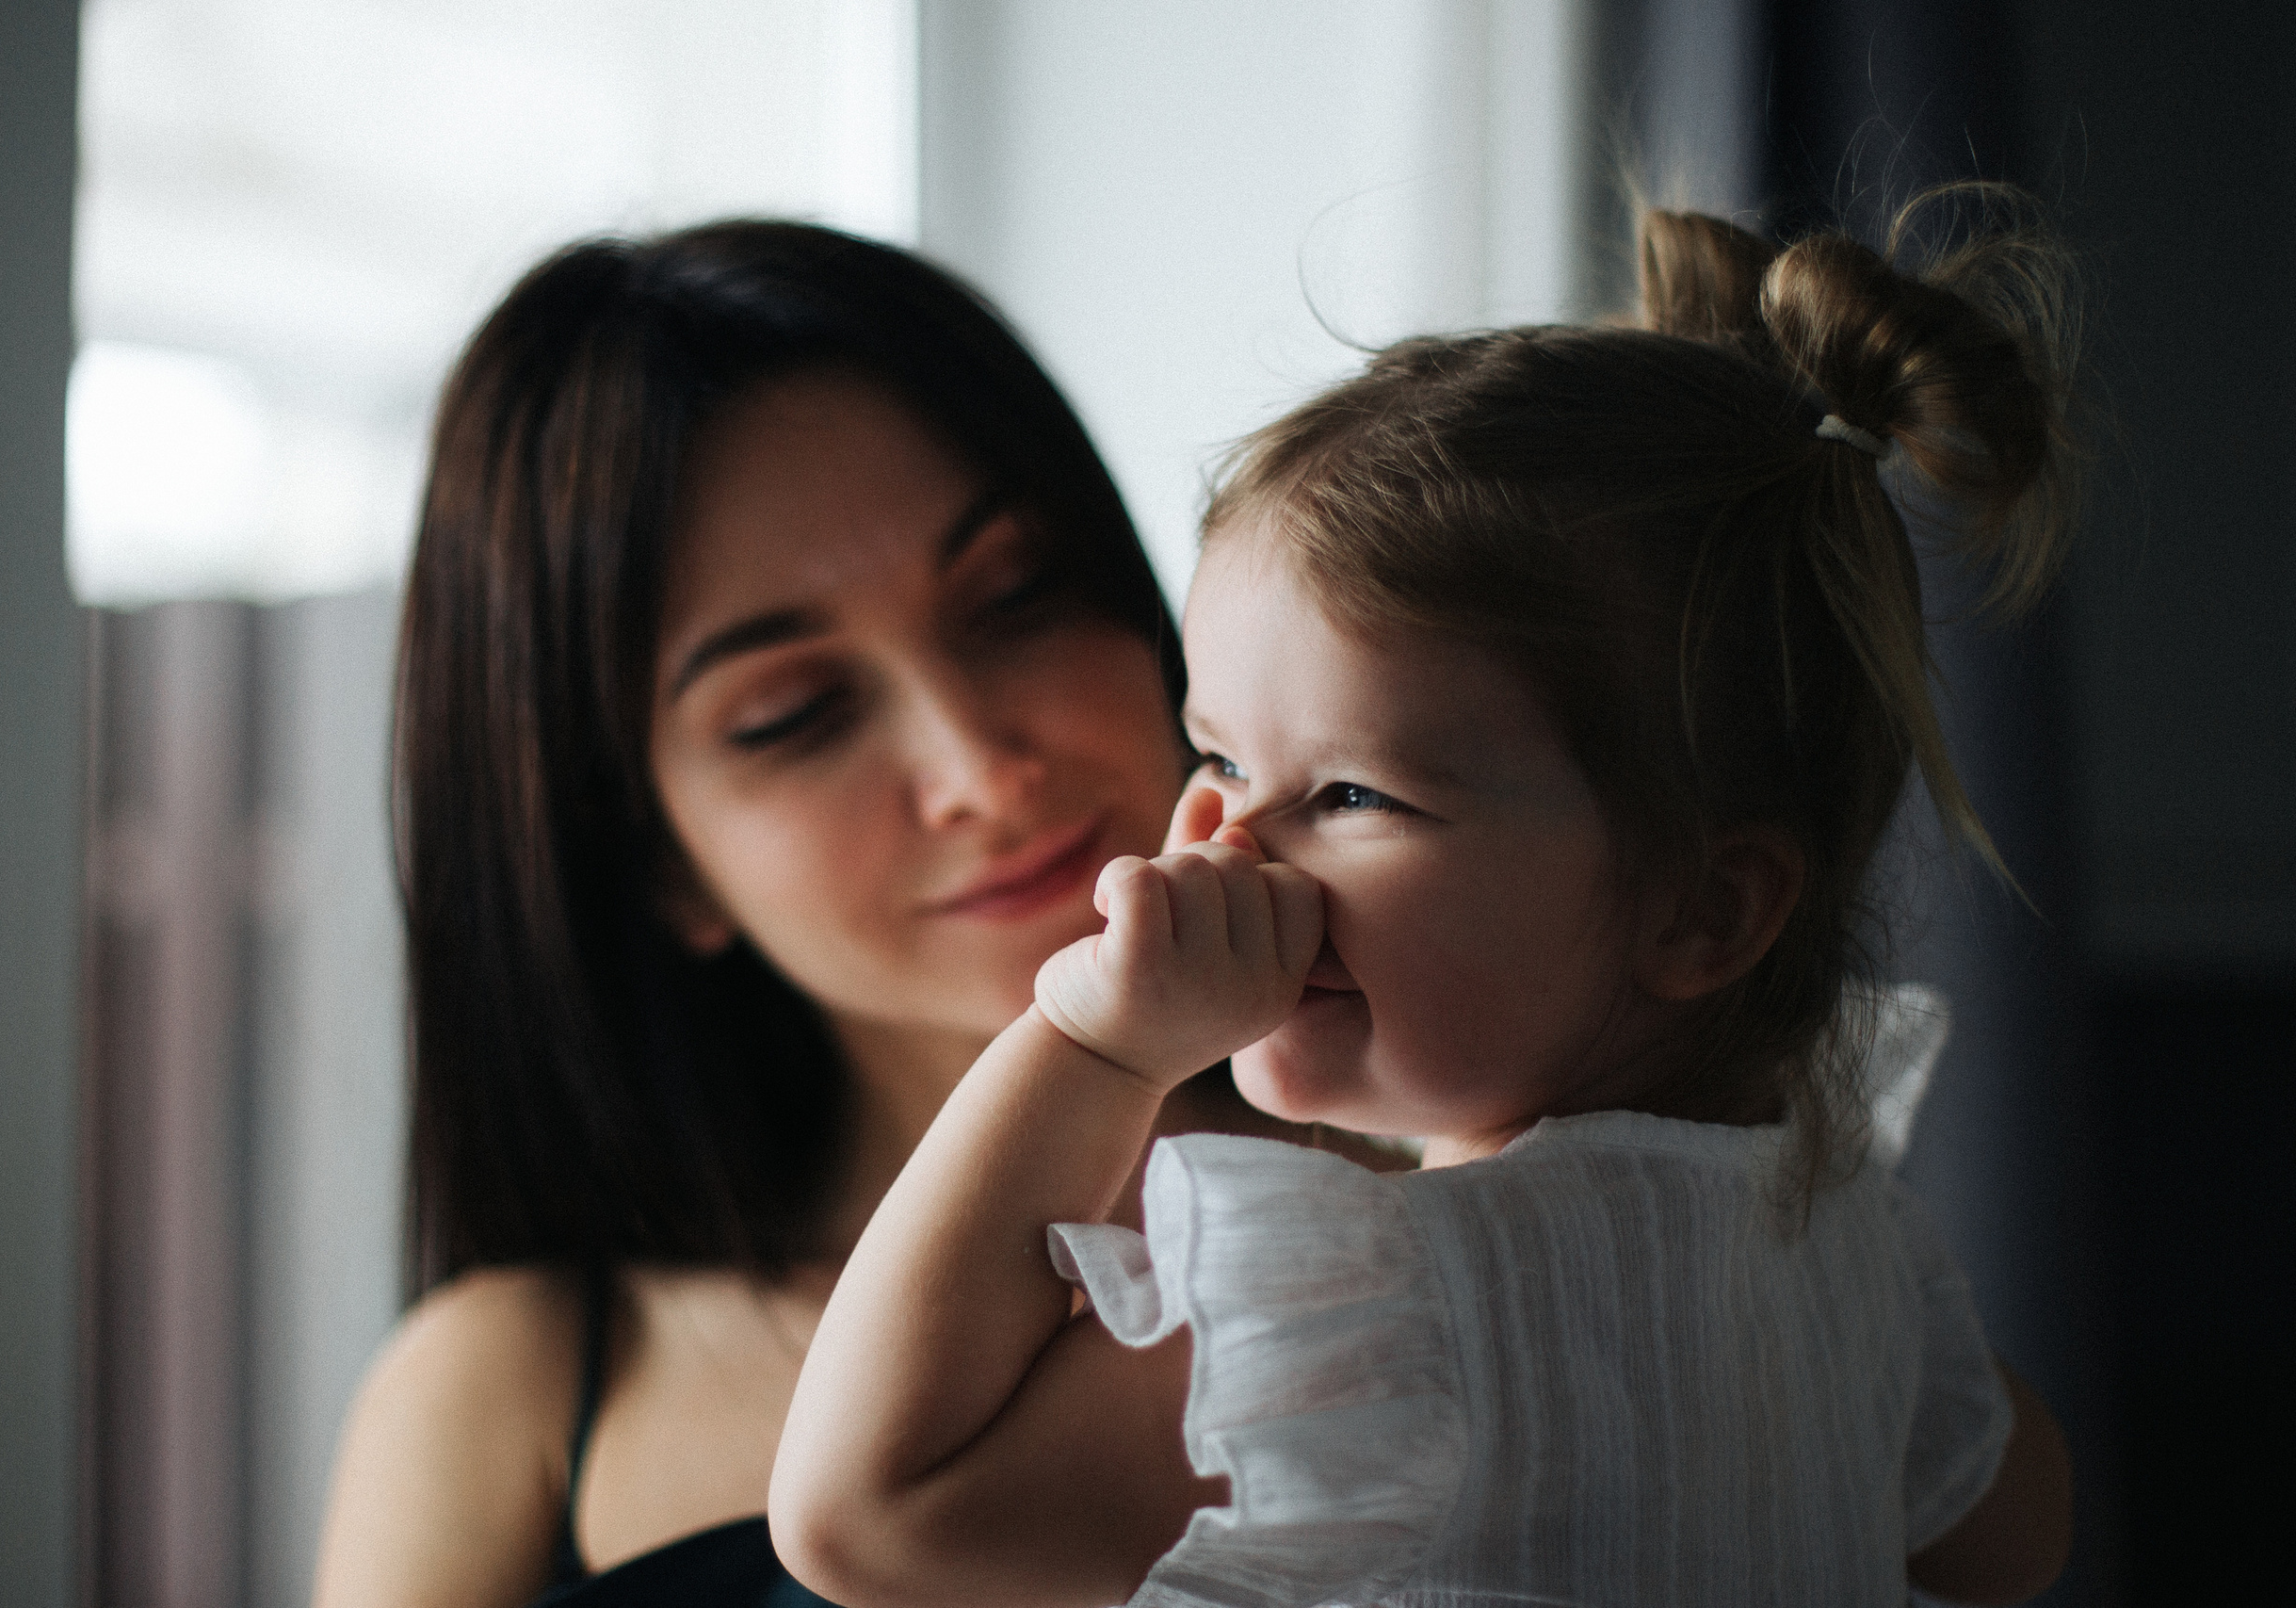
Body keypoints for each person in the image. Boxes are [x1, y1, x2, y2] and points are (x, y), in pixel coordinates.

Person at [772, 187, 2080, 1608]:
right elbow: (2012, 1544)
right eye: (1215, 757)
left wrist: (1095, 1046)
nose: (1221, 841)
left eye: (1349, 796)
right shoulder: (1846, 1261)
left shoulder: (1394, 1330)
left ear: (1704, 914)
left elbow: (867, 1518)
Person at [310, 220, 1363, 1608]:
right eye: (793, 715)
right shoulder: (509, 1393)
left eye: (1019, 596)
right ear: (657, 866)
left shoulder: (1488, 1214)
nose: (981, 770)